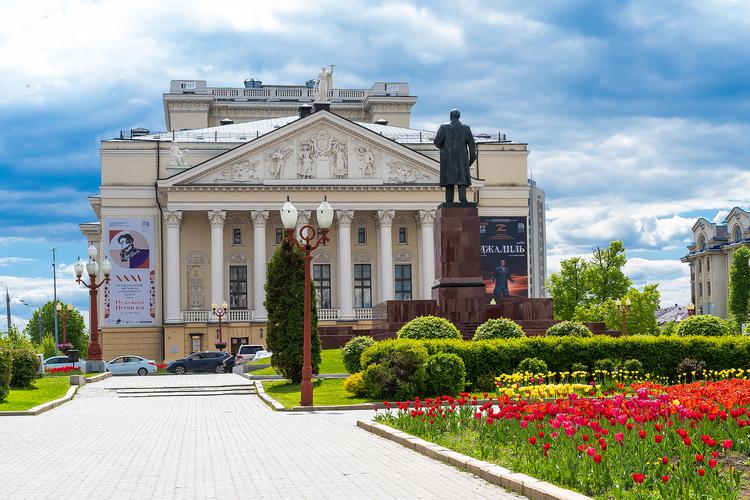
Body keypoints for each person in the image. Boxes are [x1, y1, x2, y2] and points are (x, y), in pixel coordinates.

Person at [433, 109, 477, 204]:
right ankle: (463, 199)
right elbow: (472, 147)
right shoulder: (466, 128)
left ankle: (449, 201)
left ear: (450, 116)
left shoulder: (443, 127)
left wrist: (444, 147)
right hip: (462, 159)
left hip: (447, 159)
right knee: (462, 180)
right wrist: (470, 161)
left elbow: (436, 142)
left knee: (449, 181)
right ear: (459, 116)